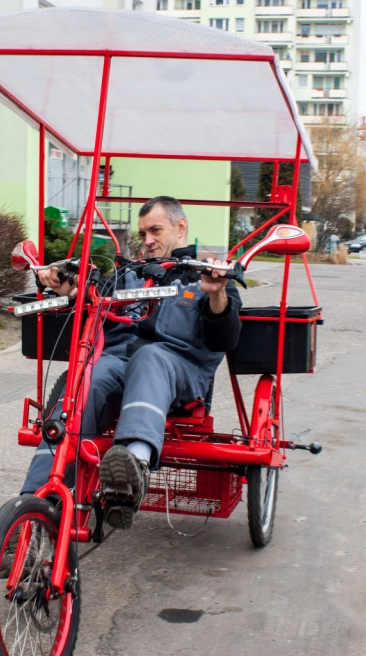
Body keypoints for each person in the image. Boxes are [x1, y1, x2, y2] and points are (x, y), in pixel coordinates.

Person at [20, 196, 242, 529]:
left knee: (150, 355)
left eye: (155, 230)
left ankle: (131, 467)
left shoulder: (208, 275)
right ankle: (32, 512)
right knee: (85, 377)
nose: (147, 241)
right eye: (143, 234)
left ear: (180, 228)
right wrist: (69, 288)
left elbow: (225, 339)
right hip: (120, 363)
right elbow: (92, 300)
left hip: (179, 370)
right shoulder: (131, 276)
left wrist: (216, 294)